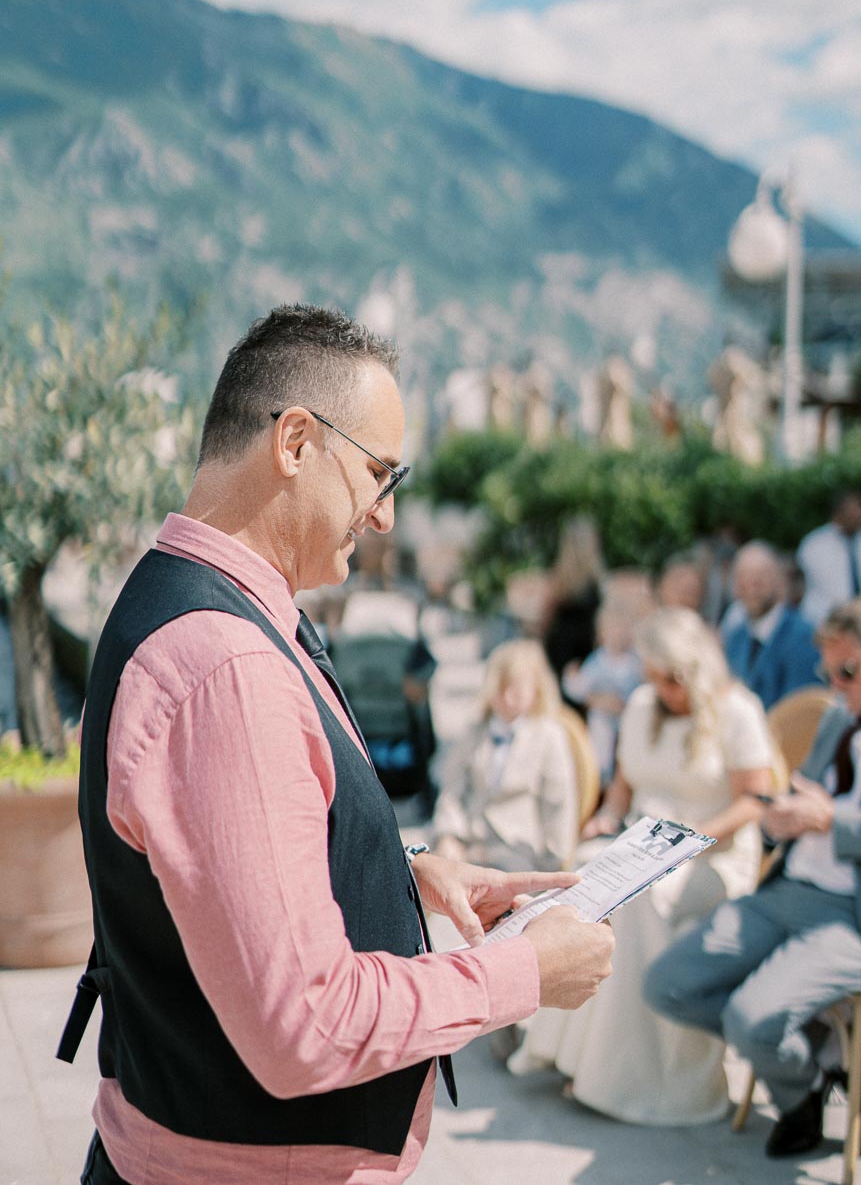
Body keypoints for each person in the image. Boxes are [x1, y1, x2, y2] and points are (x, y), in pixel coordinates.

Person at [62, 305, 616, 1185]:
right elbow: (305, 1027)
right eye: (379, 474)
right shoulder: (228, 669)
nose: (387, 516)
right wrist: (521, 974)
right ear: (294, 443)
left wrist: (403, 872)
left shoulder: (196, 598)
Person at [644, 595, 861, 1159]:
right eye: (826, 672)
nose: (836, 684)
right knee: (665, 984)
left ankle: (803, 1070)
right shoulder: (837, 715)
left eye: (847, 671)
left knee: (750, 1018)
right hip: (785, 890)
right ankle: (815, 1073)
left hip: (856, 916)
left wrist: (836, 820)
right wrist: (783, 814)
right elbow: (798, 795)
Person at [509, 608, 775, 1124]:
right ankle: (570, 1051)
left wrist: (697, 841)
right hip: (642, 843)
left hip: (714, 853)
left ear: (695, 670)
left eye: (671, 679)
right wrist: (606, 816)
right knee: (580, 876)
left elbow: (756, 800)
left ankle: (638, 1078)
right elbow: (625, 784)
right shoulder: (642, 705)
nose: (661, 689)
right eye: (652, 676)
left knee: (647, 899)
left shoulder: (737, 711)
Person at [432, 639, 579, 872]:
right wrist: (448, 835)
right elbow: (452, 789)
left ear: (536, 689)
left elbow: (559, 802)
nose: (509, 697)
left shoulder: (548, 735)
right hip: (470, 842)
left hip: (520, 849)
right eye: (502, 688)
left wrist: (555, 861)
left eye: (518, 689)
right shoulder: (474, 730)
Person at [722, 541, 822, 709]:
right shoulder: (735, 638)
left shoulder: (803, 635)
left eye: (761, 575)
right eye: (743, 576)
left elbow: (801, 709)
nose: (752, 584)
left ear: (780, 580)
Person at [561, 603, 643, 785]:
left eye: (623, 628)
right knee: (599, 735)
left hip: (626, 718)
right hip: (603, 719)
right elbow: (579, 687)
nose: (618, 634)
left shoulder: (635, 663)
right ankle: (600, 775)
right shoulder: (598, 661)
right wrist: (572, 680)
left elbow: (641, 690)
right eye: (613, 629)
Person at [796, 490, 861, 626]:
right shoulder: (814, 545)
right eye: (854, 509)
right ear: (839, 512)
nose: (860, 513)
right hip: (823, 622)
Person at [540, 517, 605, 684]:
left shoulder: (559, 579)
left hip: (562, 647)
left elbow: (546, 616)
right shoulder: (598, 581)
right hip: (587, 646)